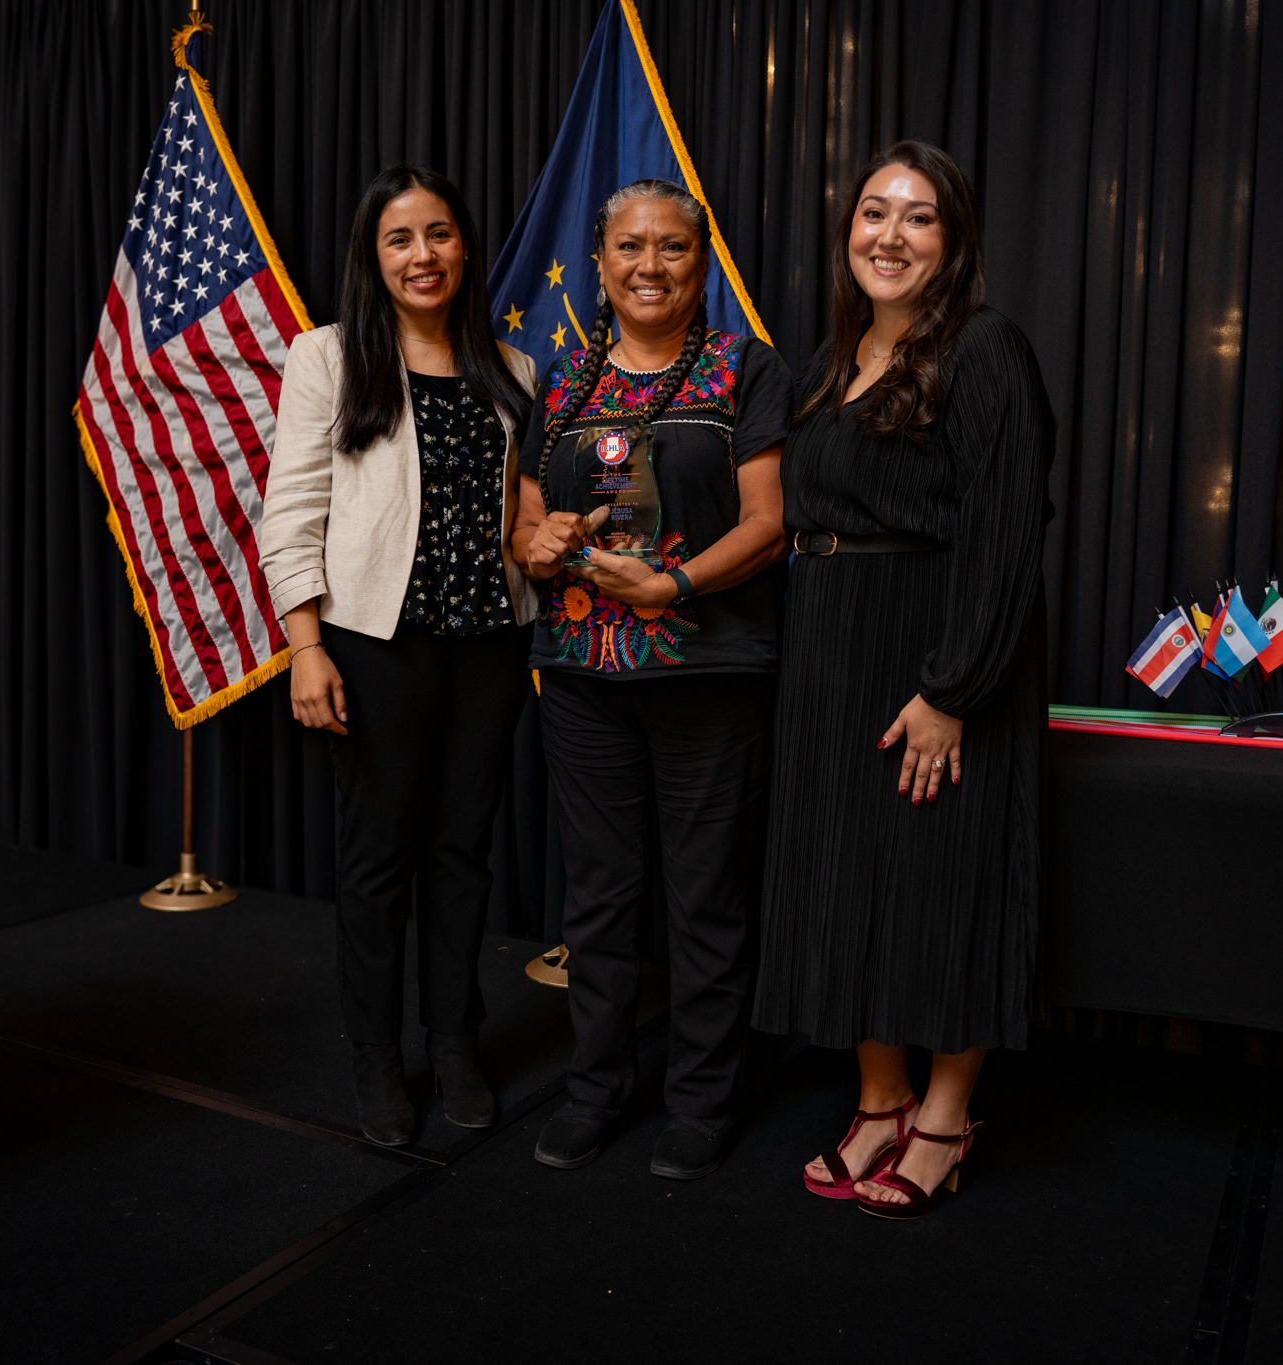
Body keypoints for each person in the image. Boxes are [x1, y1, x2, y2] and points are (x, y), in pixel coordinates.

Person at [752, 141, 1056, 1218]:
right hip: (830, 654)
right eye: (871, 213)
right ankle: (877, 1099)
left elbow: (1005, 535)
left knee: (939, 885)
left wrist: (951, 690)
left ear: (953, 238)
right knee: (846, 883)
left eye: (916, 217)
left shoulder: (983, 350)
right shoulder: (832, 359)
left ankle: (943, 1115)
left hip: (934, 660)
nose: (888, 235)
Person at [510, 179, 791, 1180]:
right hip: (583, 678)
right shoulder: (567, 382)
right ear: (597, 267)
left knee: (705, 898)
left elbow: (767, 524)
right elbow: (528, 518)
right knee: (597, 897)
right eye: (628, 248)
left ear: (700, 264)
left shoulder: (743, 370)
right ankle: (595, 1091)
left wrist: (671, 584)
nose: (647, 265)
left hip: (710, 671)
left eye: (671, 248)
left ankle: (701, 1101)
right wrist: (537, 544)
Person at [257, 165, 537, 1147]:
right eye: (400, 239)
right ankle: (376, 1061)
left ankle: (454, 1040)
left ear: (465, 245)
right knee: (377, 863)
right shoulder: (326, 360)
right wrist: (304, 646)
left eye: (440, 234)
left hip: (490, 648)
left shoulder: (514, 369)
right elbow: (288, 514)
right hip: (374, 647)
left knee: (461, 857)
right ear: (372, 257)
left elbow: (519, 516)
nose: (423, 256)